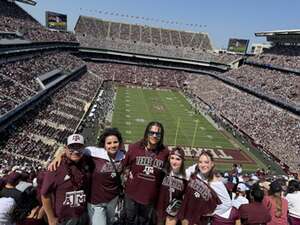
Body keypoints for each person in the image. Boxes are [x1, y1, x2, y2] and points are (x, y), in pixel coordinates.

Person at [48, 128, 126, 225]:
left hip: (113, 198)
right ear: (104, 144)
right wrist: (59, 155)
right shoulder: (94, 152)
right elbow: (75, 151)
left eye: (115, 142)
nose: (112, 145)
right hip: (96, 201)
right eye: (109, 143)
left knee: (110, 221)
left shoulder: (123, 155)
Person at [123, 121, 169, 225]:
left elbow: (168, 171)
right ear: (146, 133)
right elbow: (124, 165)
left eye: (157, 133)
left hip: (149, 197)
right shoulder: (134, 147)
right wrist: (127, 175)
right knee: (129, 220)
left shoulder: (165, 152)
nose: (154, 135)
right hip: (132, 194)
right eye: (151, 132)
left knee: (143, 221)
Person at [41, 134, 91, 225]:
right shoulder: (55, 167)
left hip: (83, 215)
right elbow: (45, 195)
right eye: (72, 147)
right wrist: (51, 218)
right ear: (66, 148)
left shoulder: (88, 163)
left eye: (79, 147)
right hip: (64, 219)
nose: (76, 151)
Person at [178, 151, 223, 225]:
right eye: (200, 162)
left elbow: (227, 203)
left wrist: (211, 212)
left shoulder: (216, 183)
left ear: (212, 164)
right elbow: (184, 174)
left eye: (206, 162)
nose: (203, 164)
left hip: (199, 218)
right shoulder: (194, 173)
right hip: (187, 212)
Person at [156, 147, 188, 225]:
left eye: (178, 159)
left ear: (182, 161)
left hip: (173, 212)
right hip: (159, 209)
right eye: (172, 158)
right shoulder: (163, 172)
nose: (174, 162)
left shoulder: (186, 178)